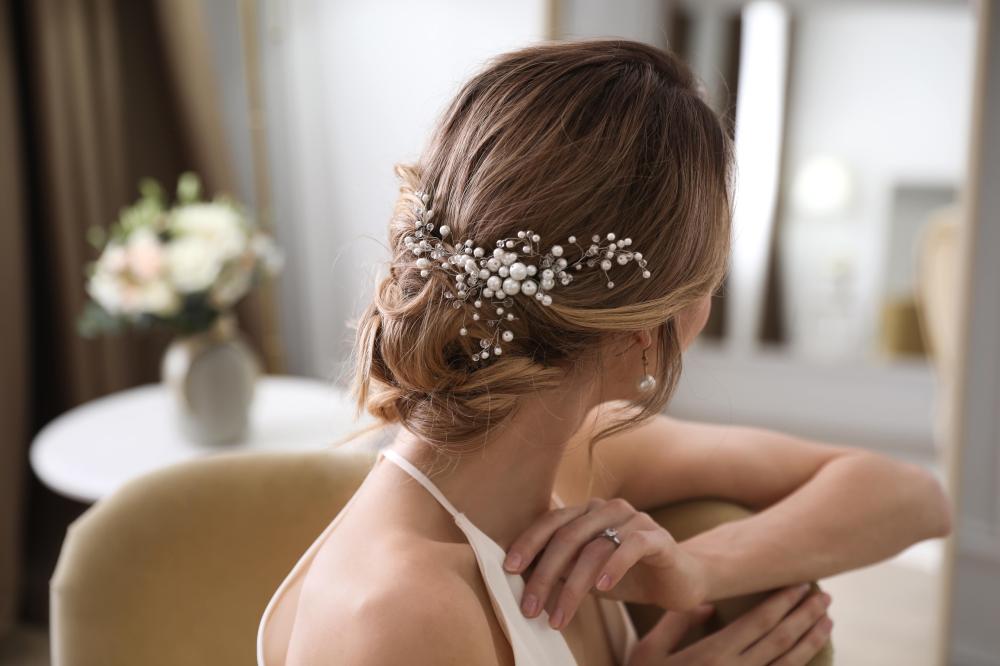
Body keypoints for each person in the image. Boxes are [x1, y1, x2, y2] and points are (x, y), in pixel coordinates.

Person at [257, 38, 952, 665]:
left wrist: (699, 568)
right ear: (647, 330)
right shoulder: (400, 618)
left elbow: (914, 497)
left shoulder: (581, 454)